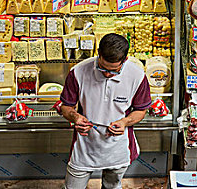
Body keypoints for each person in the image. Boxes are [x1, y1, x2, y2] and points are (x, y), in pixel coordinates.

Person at [60, 33, 152, 189]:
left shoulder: (137, 76)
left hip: (118, 148)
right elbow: (65, 106)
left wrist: (124, 122)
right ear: (98, 54)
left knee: (112, 186)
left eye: (115, 71)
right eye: (102, 68)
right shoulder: (78, 72)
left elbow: (140, 110)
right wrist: (75, 117)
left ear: (125, 60)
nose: (108, 74)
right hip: (84, 147)